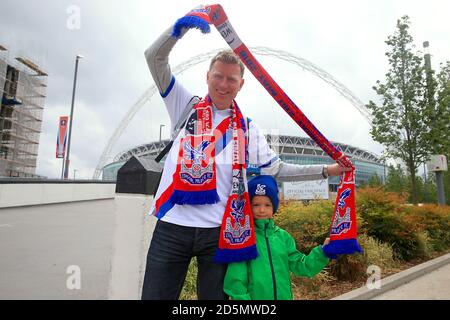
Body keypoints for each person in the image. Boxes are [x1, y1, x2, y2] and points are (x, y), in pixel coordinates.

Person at [141, 13, 351, 300]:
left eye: (231, 79)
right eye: (218, 76)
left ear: (241, 84)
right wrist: (182, 27)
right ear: (207, 77)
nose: (223, 84)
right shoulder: (184, 106)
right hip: (172, 227)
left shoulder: (247, 129)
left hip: (219, 234)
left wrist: (327, 171)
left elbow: (277, 169)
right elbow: (154, 57)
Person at [224, 175, 330, 300]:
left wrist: (323, 252)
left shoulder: (283, 237)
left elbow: (303, 266)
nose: (262, 210)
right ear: (248, 205)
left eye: (267, 205)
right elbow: (236, 281)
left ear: (274, 207)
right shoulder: (242, 238)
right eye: (256, 204)